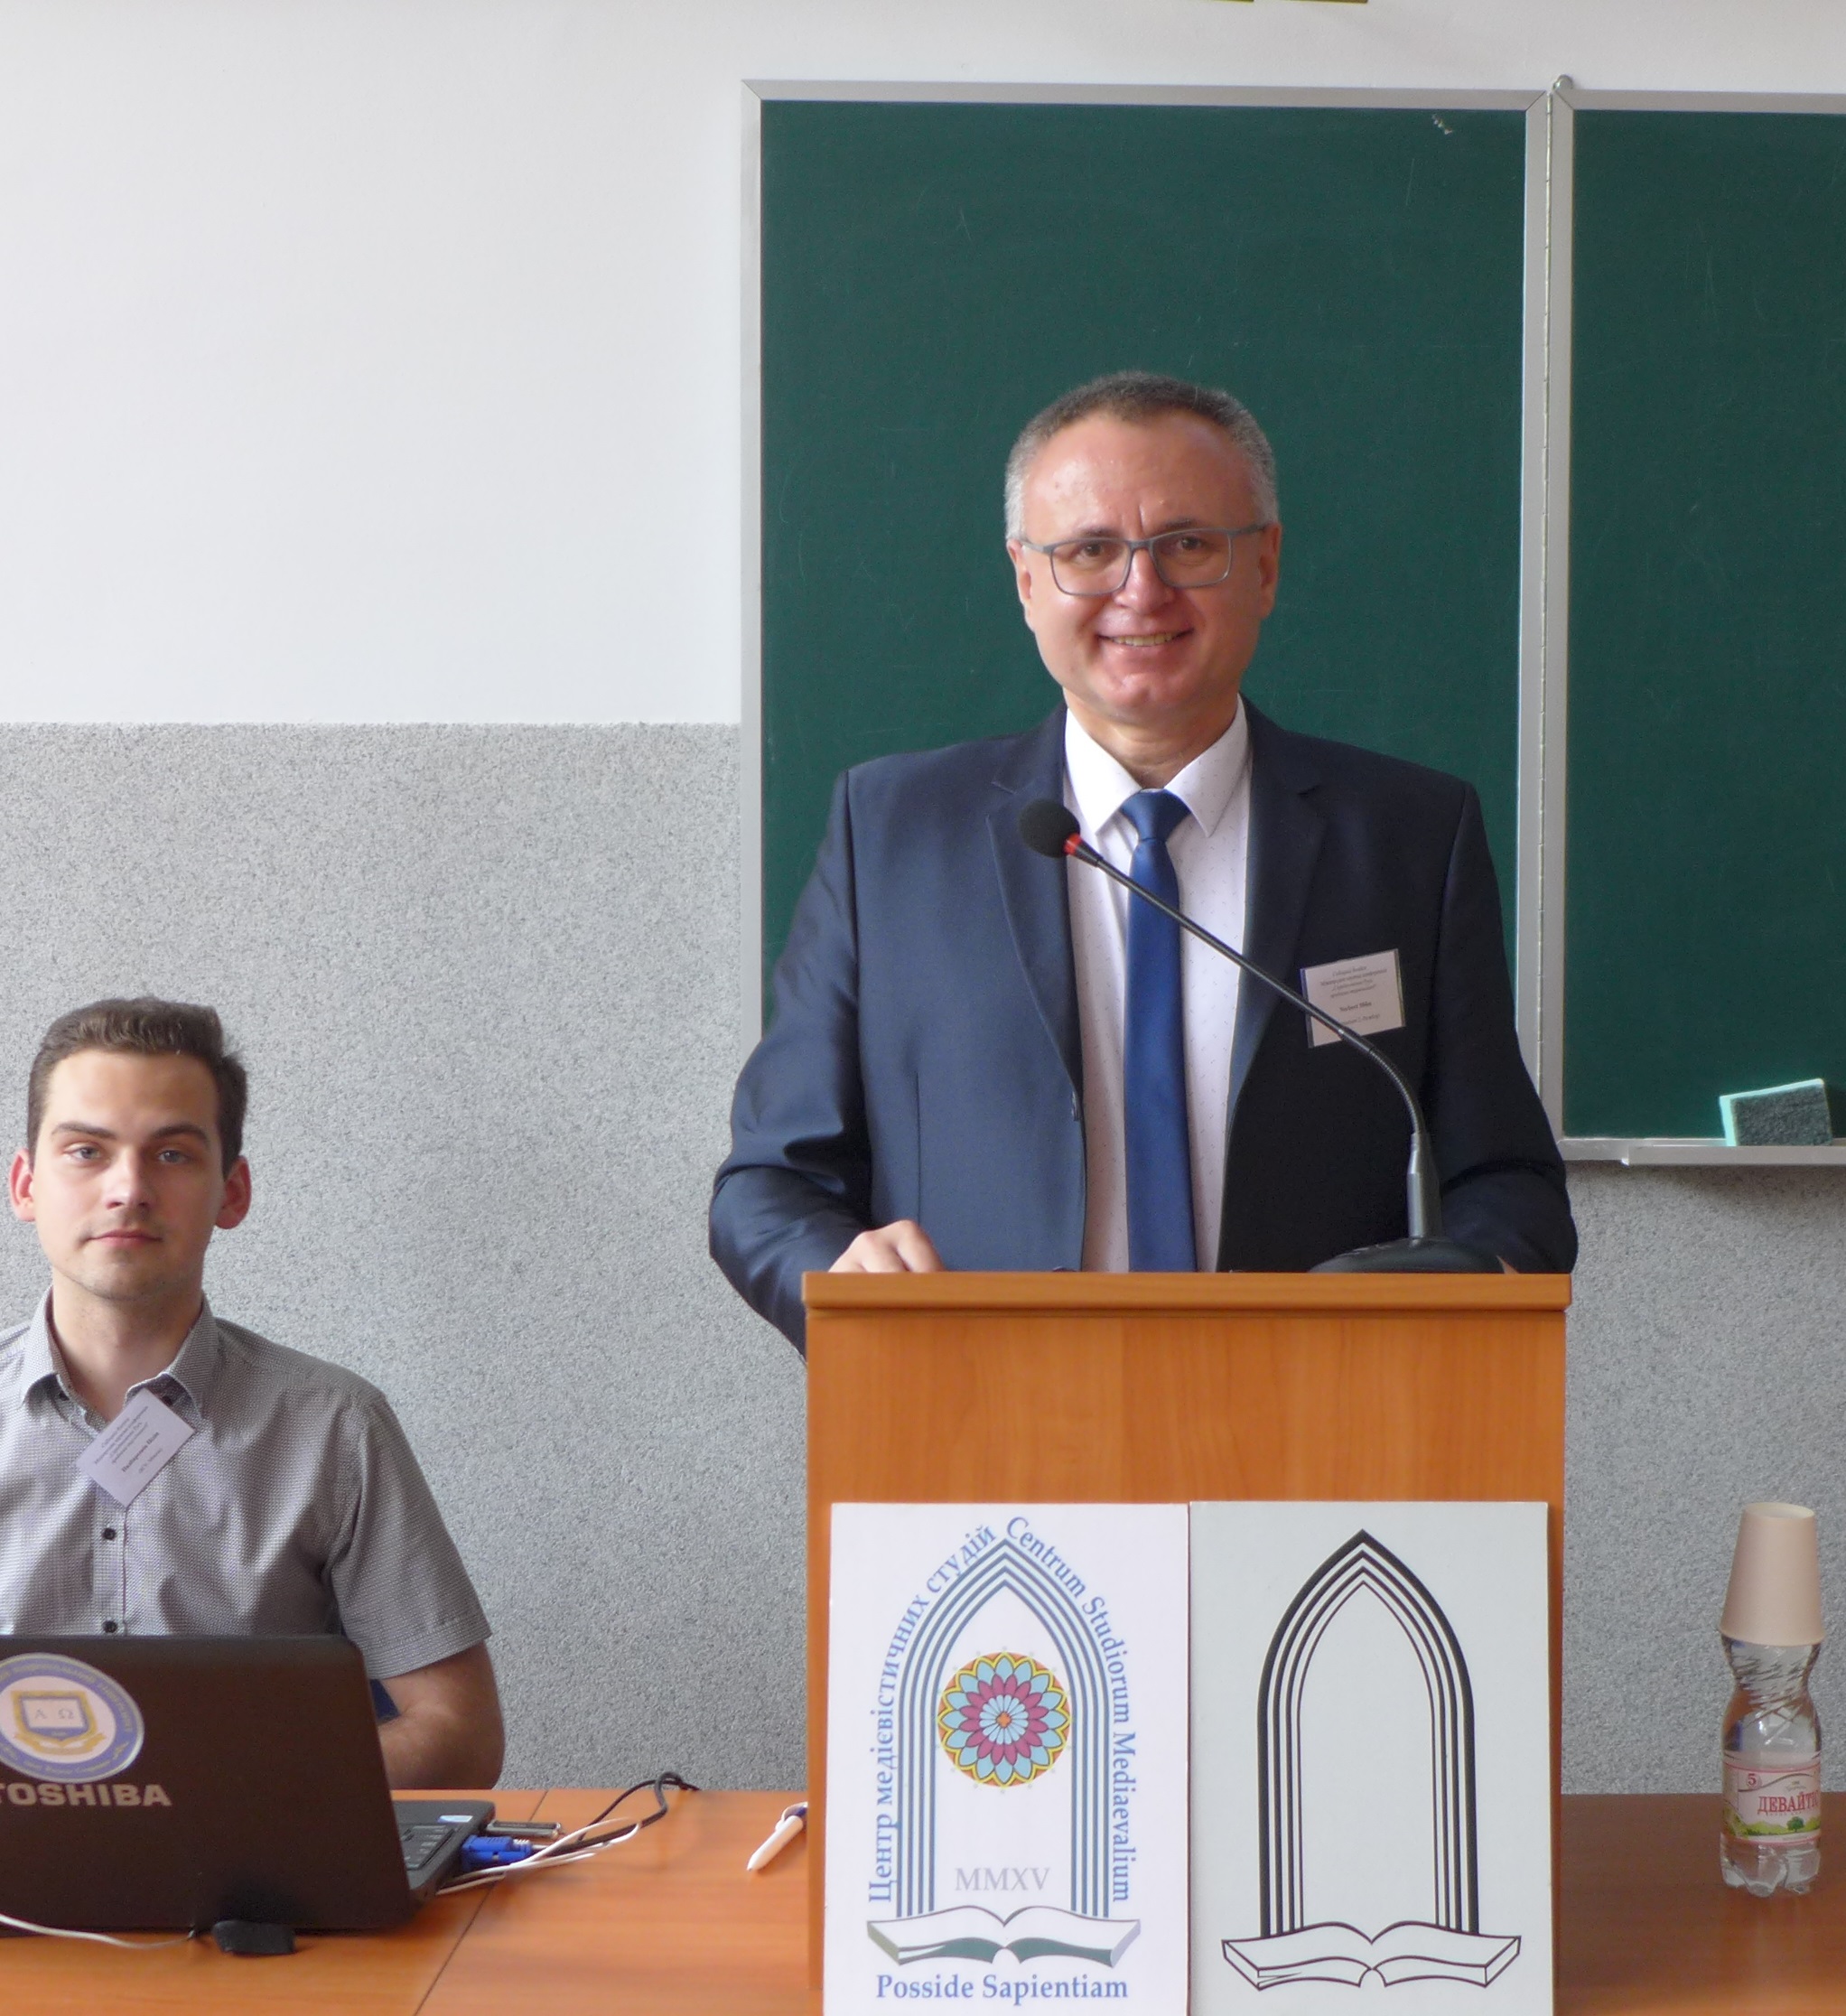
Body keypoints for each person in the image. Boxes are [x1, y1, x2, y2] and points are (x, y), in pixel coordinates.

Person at [712, 372, 1575, 1345]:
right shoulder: (891, 834)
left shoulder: (1409, 838)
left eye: (1188, 545)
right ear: (1027, 580)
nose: (1141, 591)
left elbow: (1506, 1182)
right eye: (1089, 551)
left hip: (1318, 1410)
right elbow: (769, 1184)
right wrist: (841, 1274)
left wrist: (1475, 1285)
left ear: (1265, 566)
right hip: (983, 1410)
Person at [0, 998, 502, 1787]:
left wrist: (223, 1792)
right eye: (87, 1151)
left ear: (232, 1192)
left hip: (253, 1861)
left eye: (172, 1154)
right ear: (26, 1184)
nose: (128, 1188)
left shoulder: (334, 1429)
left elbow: (459, 1735)